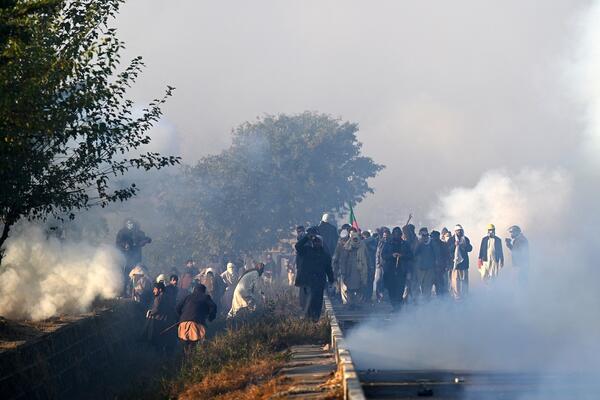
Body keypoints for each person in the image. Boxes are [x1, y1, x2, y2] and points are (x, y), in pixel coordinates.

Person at [295, 232, 334, 321]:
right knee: (307, 301)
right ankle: (306, 318)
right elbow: (297, 246)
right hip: (306, 281)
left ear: (322, 243)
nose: (316, 243)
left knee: (317, 302)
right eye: (315, 241)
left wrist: (331, 281)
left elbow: (329, 269)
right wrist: (307, 237)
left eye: (318, 241)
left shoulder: (325, 255)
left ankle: (315, 319)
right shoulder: (306, 251)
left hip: (319, 282)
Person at [176, 283, 217, 356]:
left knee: (185, 346)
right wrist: (211, 317)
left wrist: (182, 317)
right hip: (196, 324)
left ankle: (184, 363)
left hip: (182, 325)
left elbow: (177, 308)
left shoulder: (188, 297)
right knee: (194, 346)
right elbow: (213, 307)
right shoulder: (206, 297)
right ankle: (193, 363)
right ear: (204, 291)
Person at [382, 227, 413, 311]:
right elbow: (383, 255)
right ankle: (394, 305)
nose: (396, 235)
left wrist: (402, 256)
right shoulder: (388, 244)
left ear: (400, 234)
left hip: (401, 270)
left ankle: (398, 306)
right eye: (395, 233)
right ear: (393, 234)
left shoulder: (405, 244)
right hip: (390, 270)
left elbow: (410, 255)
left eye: (398, 234)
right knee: (391, 289)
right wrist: (392, 255)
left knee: (400, 289)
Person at [338, 231, 368, 307]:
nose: (355, 241)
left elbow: (367, 258)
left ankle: (358, 304)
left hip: (360, 271)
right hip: (350, 271)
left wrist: (369, 268)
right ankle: (350, 304)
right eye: (353, 239)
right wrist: (343, 271)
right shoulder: (347, 247)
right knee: (350, 289)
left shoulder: (362, 246)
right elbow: (343, 260)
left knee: (360, 288)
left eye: (356, 239)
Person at [141, 282, 170, 351]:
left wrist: (150, 312)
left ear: (160, 290)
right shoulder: (167, 296)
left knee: (155, 339)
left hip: (158, 321)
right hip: (166, 321)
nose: (153, 291)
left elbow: (156, 309)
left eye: (155, 289)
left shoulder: (158, 298)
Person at [448, 225, 473, 300]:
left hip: (464, 264)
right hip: (455, 264)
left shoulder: (465, 239)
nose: (459, 232)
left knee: (464, 280)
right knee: (456, 281)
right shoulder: (451, 239)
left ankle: (465, 295)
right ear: (455, 231)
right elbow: (448, 250)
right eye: (458, 230)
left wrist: (465, 245)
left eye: (460, 230)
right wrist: (454, 245)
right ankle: (457, 297)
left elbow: (470, 248)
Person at [414, 227, 436, 301]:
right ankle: (415, 301)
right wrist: (419, 243)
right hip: (420, 268)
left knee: (427, 286)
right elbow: (414, 253)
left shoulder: (432, 243)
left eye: (426, 235)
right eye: (423, 235)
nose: (425, 236)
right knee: (417, 285)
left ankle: (426, 302)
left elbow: (436, 254)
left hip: (429, 268)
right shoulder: (418, 243)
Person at [401, 224, 419, 303]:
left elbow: (415, 252)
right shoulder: (404, 240)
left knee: (412, 282)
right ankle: (406, 299)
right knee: (407, 283)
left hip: (413, 265)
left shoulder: (415, 240)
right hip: (405, 265)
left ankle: (413, 299)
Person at [430, 230, 450, 296]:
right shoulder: (428, 245)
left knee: (440, 287)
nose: (433, 238)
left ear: (438, 236)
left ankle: (441, 301)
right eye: (432, 237)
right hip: (430, 269)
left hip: (440, 269)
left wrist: (446, 266)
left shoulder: (443, 245)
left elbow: (447, 256)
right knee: (428, 287)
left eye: (435, 236)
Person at [373, 227, 390, 303]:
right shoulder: (380, 242)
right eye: (384, 236)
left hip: (388, 266)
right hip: (380, 265)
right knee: (378, 281)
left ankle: (386, 296)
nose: (385, 237)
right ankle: (378, 297)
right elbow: (377, 253)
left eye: (386, 236)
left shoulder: (391, 242)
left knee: (387, 281)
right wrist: (377, 264)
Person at [362, 230, 378, 302]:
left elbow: (373, 250)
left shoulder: (372, 243)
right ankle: (365, 296)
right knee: (365, 281)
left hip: (371, 264)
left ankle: (368, 297)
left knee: (370, 281)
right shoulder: (364, 244)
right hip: (365, 265)